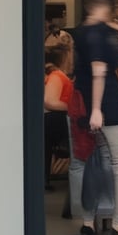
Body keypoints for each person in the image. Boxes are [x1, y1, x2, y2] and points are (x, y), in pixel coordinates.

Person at [72, 0, 118, 235]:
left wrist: (110, 21)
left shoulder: (83, 31)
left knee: (95, 162)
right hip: (106, 107)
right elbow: (99, 71)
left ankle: (88, 221)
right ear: (109, 8)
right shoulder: (100, 34)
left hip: (86, 106)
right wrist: (98, 110)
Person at [44, 44, 74, 190]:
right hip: (56, 120)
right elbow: (50, 101)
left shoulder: (59, 76)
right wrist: (73, 107)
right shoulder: (57, 76)